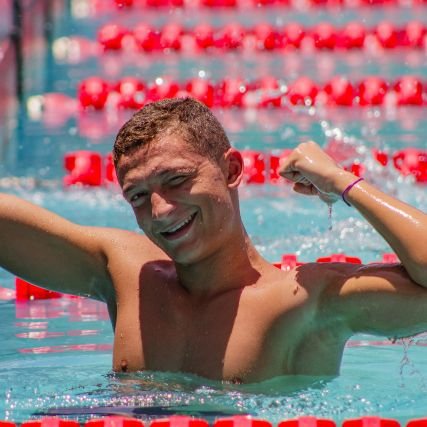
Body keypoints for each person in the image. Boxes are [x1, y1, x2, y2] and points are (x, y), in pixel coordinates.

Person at [1, 97, 427, 383]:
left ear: (232, 170)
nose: (161, 211)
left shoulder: (307, 302)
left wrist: (343, 183)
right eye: (138, 196)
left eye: (178, 180)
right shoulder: (129, 275)